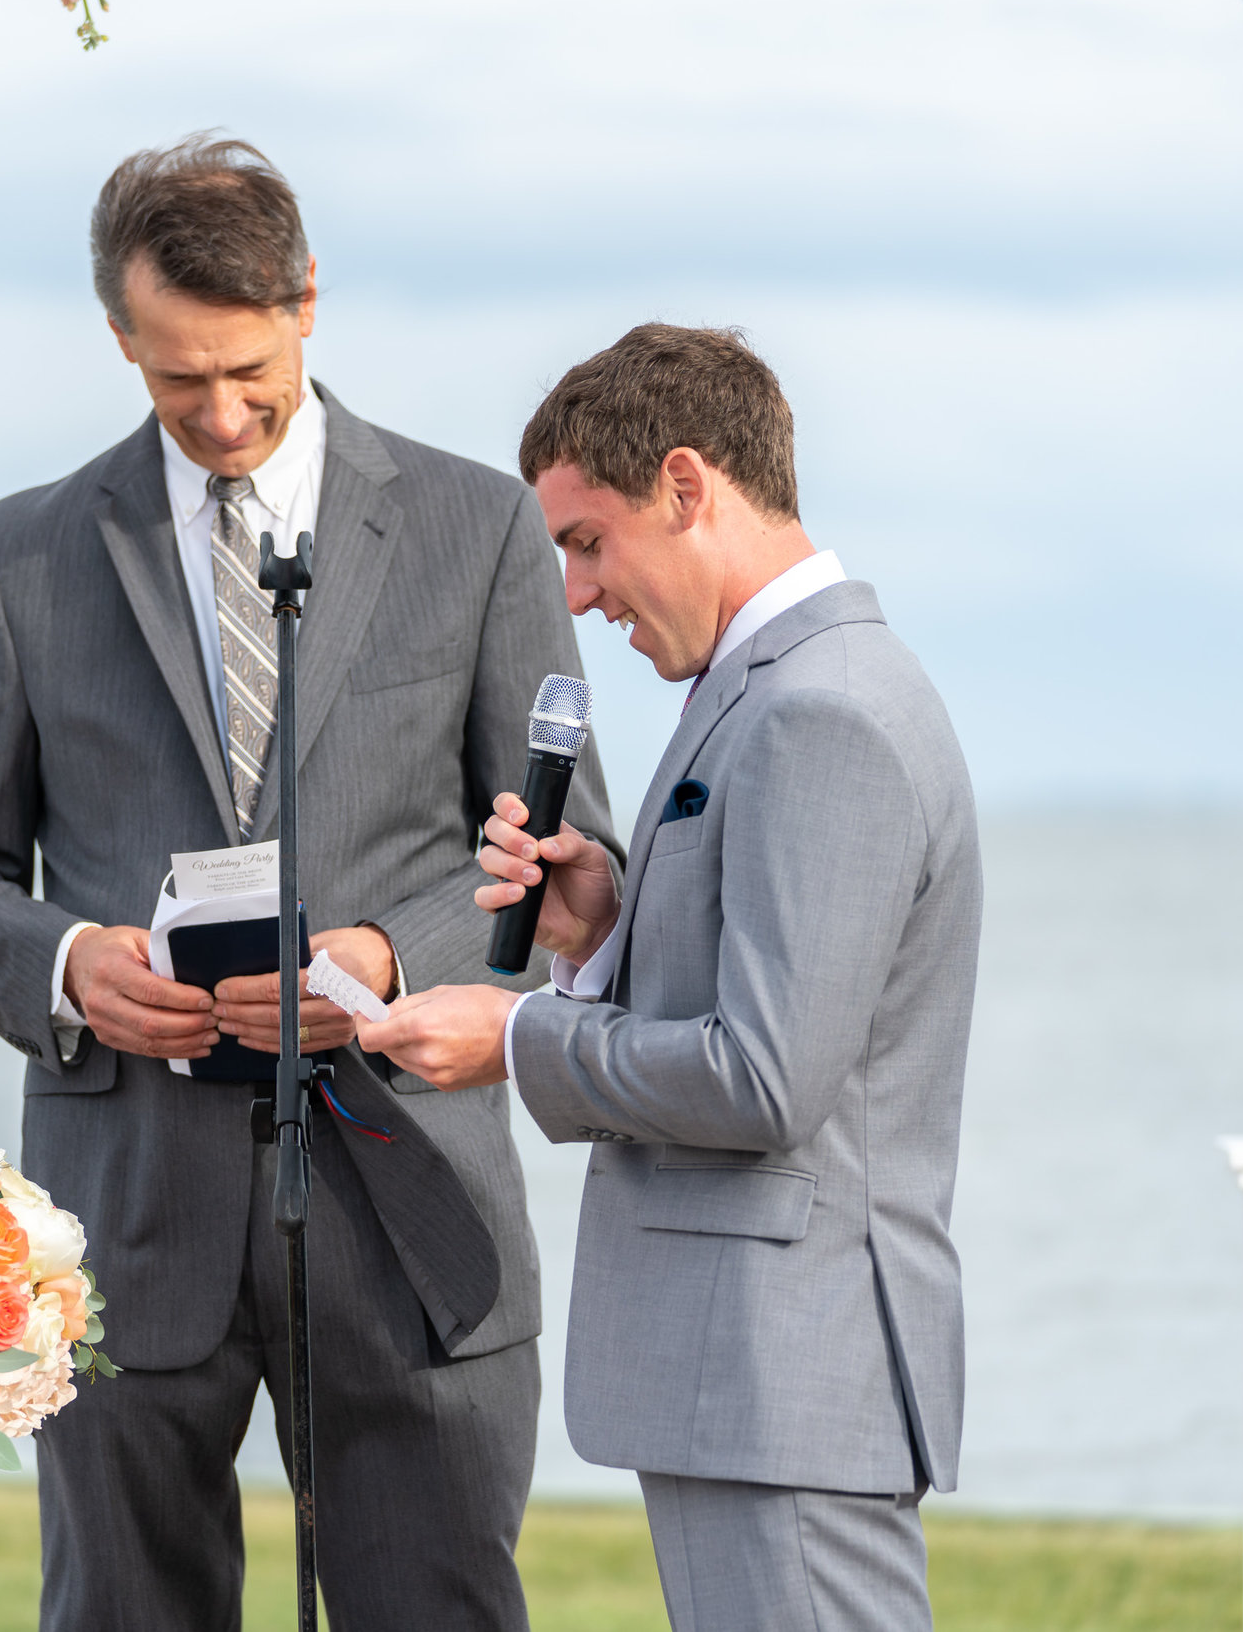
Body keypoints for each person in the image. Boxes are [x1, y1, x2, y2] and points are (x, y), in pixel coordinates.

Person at [0, 134, 615, 1629]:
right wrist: (66, 960)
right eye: (175, 381)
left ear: (308, 302)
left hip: (412, 1210)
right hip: (127, 1216)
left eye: (250, 375)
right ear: (118, 337)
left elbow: (562, 873)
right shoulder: (23, 554)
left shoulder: (479, 531)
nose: (219, 415)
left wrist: (394, 959)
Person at [359, 325, 979, 1632]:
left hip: (785, 1375)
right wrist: (603, 928)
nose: (577, 595)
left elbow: (765, 1078)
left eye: (588, 542)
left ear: (689, 487)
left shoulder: (823, 711)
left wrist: (517, 1034)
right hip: (746, 1378)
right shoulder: (770, 690)